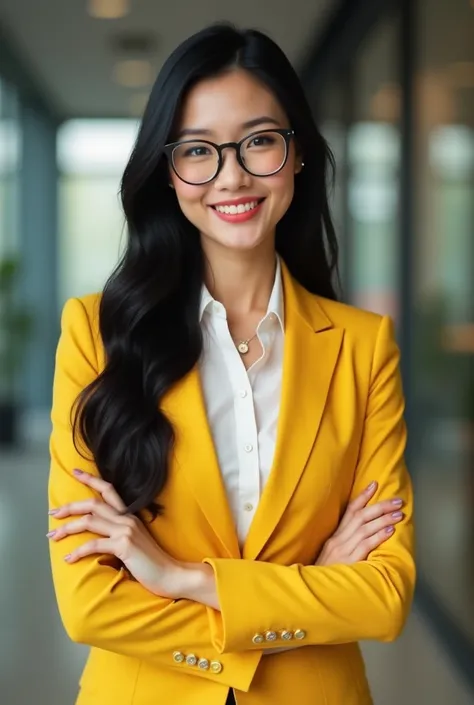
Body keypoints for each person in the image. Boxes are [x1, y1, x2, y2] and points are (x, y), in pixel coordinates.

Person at [47, 23, 415, 705]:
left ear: (297, 153)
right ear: (169, 170)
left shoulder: (365, 348)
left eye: (260, 140)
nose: (233, 175)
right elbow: (88, 604)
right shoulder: (96, 335)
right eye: (198, 150)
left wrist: (180, 577)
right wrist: (304, 595)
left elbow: (384, 595)